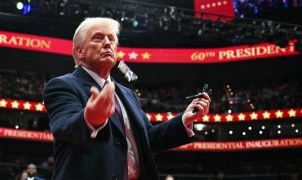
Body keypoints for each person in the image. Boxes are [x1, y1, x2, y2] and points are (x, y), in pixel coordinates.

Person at [43, 17, 210, 180]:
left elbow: (147, 139)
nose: (108, 43)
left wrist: (183, 120)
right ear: (80, 52)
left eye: (112, 39)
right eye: (98, 38)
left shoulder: (127, 93)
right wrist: (90, 119)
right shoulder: (61, 85)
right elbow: (64, 126)